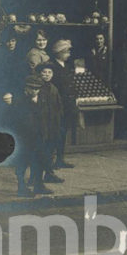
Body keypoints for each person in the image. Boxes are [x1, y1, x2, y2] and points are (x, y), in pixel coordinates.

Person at [49, 39, 77, 168]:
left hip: (67, 104)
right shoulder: (52, 67)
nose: (69, 54)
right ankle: (51, 160)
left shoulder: (67, 66)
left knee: (63, 131)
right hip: (57, 104)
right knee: (56, 132)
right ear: (59, 53)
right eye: (66, 51)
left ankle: (60, 158)